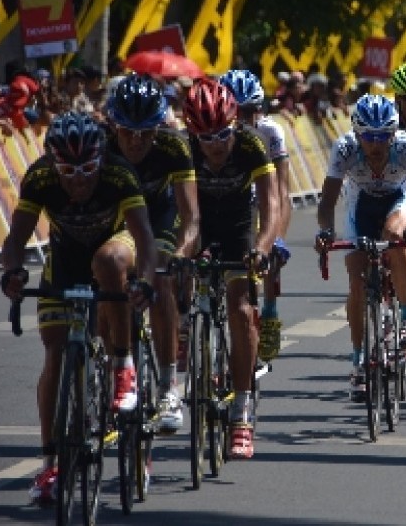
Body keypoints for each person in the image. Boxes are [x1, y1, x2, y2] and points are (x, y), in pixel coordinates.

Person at [0, 111, 157, 506]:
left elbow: (146, 239)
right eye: (67, 170)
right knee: (54, 352)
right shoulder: (39, 178)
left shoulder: (119, 175)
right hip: (66, 257)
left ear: (101, 159)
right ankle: (51, 463)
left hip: (114, 245)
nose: (78, 179)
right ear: (53, 162)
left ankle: (123, 366)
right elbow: (15, 238)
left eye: (87, 168)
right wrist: (14, 273)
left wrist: (145, 282)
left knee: (110, 261)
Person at [183, 78, 280, 459]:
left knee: (241, 311)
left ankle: (241, 411)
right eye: (206, 138)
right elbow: (177, 212)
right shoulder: (183, 148)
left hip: (239, 225)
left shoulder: (251, 144)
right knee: (175, 282)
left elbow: (271, 206)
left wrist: (262, 247)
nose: (217, 145)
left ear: (235, 124)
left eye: (223, 134)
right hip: (198, 221)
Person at [314, 94, 406, 401]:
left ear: (394, 133)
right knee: (357, 282)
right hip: (359, 204)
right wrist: (325, 231)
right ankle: (359, 357)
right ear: (357, 134)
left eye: (383, 136)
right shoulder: (345, 147)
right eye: (369, 137)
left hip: (396, 199)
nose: (376, 145)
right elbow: (326, 202)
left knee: (395, 236)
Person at [106, 73, 200, 432]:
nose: (136, 140)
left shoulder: (174, 147)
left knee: (160, 281)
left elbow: (191, 215)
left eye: (146, 131)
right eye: (127, 130)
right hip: (118, 221)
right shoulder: (101, 144)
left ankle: (167, 386)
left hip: (161, 217)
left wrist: (180, 254)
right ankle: (111, 367)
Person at [219, 69, 292, 361]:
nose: (242, 121)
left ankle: (270, 312)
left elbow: (282, 193)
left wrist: (279, 238)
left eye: (249, 112)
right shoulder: (213, 132)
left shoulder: (270, 132)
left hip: (261, 200)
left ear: (259, 111)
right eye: (235, 112)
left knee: (268, 250)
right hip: (228, 200)